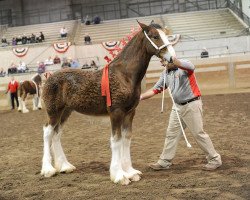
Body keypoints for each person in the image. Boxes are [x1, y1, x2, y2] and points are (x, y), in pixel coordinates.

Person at [140, 57, 222, 171]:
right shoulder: (165, 74)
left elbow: (188, 66)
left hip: (191, 104)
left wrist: (171, 58)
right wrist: (139, 97)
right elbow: (155, 89)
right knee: (171, 134)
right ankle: (164, 161)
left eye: (163, 61)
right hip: (177, 107)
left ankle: (215, 159)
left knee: (198, 133)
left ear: (170, 60)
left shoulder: (185, 66)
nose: (161, 64)